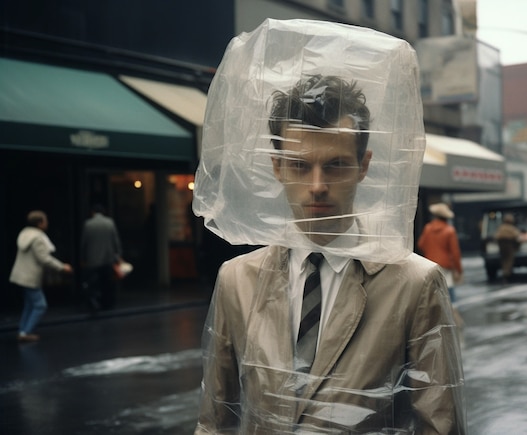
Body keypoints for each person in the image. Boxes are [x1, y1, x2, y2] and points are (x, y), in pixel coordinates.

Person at [193, 19, 465, 434]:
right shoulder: (237, 281)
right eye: (301, 166)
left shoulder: (414, 284)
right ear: (277, 167)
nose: (317, 186)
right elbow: (215, 422)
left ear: (364, 166)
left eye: (335, 165)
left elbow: (439, 425)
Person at [9, 210, 73, 342]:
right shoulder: (38, 238)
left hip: (21, 275)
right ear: (39, 223)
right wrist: (62, 267)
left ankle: (23, 330)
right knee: (40, 305)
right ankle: (26, 332)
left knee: (29, 305)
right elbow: (44, 258)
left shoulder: (25, 234)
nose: (47, 223)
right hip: (30, 276)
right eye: (45, 220)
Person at [417, 202, 463, 303]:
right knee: (449, 293)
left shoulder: (428, 228)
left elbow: (421, 244)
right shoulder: (449, 230)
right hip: (445, 266)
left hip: (430, 265)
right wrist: (459, 270)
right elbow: (455, 252)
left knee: (433, 293)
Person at [80, 204, 122, 311]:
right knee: (107, 282)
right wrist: (118, 256)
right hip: (108, 258)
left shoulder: (88, 224)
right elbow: (116, 241)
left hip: (92, 259)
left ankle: (94, 303)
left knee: (93, 283)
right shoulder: (110, 222)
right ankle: (107, 303)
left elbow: (84, 243)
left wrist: (83, 258)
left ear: (93, 212)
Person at [494, 213, 521, 283]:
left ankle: (505, 272)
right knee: (509, 259)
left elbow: (496, 236)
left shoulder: (501, 228)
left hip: (502, 245)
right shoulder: (511, 228)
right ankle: (507, 274)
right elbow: (517, 236)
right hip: (509, 245)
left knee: (504, 260)